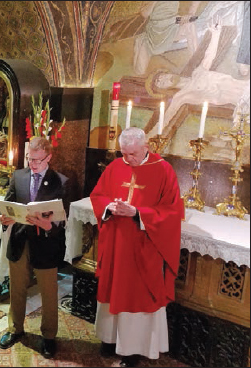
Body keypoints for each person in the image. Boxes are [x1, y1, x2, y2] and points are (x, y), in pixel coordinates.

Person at [89, 127, 184, 367]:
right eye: (124, 153)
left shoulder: (163, 171)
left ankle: (133, 351)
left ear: (145, 147)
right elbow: (98, 195)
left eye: (132, 154)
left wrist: (138, 213)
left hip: (143, 248)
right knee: (112, 291)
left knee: (136, 297)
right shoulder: (115, 167)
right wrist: (108, 206)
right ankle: (110, 339)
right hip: (115, 245)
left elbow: (172, 212)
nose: (127, 159)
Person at [0, 136, 68, 359]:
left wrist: (49, 225)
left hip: (46, 245)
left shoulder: (60, 182)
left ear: (49, 157)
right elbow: (8, 205)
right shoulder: (19, 176)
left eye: (38, 160)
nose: (33, 165)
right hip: (20, 241)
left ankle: (48, 337)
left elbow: (63, 219)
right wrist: (4, 218)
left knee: (48, 293)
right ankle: (15, 329)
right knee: (17, 289)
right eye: (30, 159)